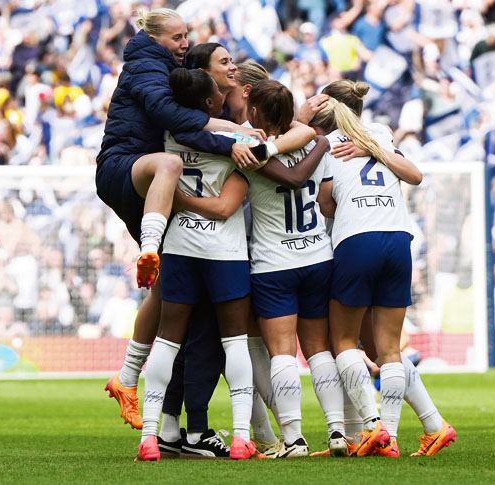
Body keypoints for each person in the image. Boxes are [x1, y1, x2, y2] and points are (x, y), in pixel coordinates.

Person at [98, 8, 264, 431]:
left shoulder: (162, 69)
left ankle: (134, 385)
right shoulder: (149, 69)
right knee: (170, 167)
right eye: (176, 37)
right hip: (128, 164)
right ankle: (189, 426)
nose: (183, 42)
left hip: (148, 176)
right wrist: (235, 137)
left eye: (186, 35)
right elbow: (173, 121)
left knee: (169, 291)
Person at [316, 80, 456, 457]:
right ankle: (390, 439)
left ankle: (371, 429)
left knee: (343, 342)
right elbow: (413, 175)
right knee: (389, 350)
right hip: (398, 239)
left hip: (355, 240)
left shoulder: (327, 144)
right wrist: (375, 150)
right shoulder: (379, 132)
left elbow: (326, 204)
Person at [137, 68, 260, 461]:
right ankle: (242, 437)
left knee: (168, 341)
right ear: (209, 103)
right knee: (235, 342)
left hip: (179, 245)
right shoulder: (238, 138)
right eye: (219, 92)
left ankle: (150, 437)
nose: (225, 94)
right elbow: (259, 149)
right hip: (225, 251)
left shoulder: (169, 136)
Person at [242, 79, 348, 458]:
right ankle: (337, 431)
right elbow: (324, 202)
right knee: (319, 350)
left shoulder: (250, 152)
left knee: (284, 353)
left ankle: (294, 439)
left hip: (274, 264)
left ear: (254, 113)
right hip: (318, 256)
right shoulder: (316, 146)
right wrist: (317, 140)